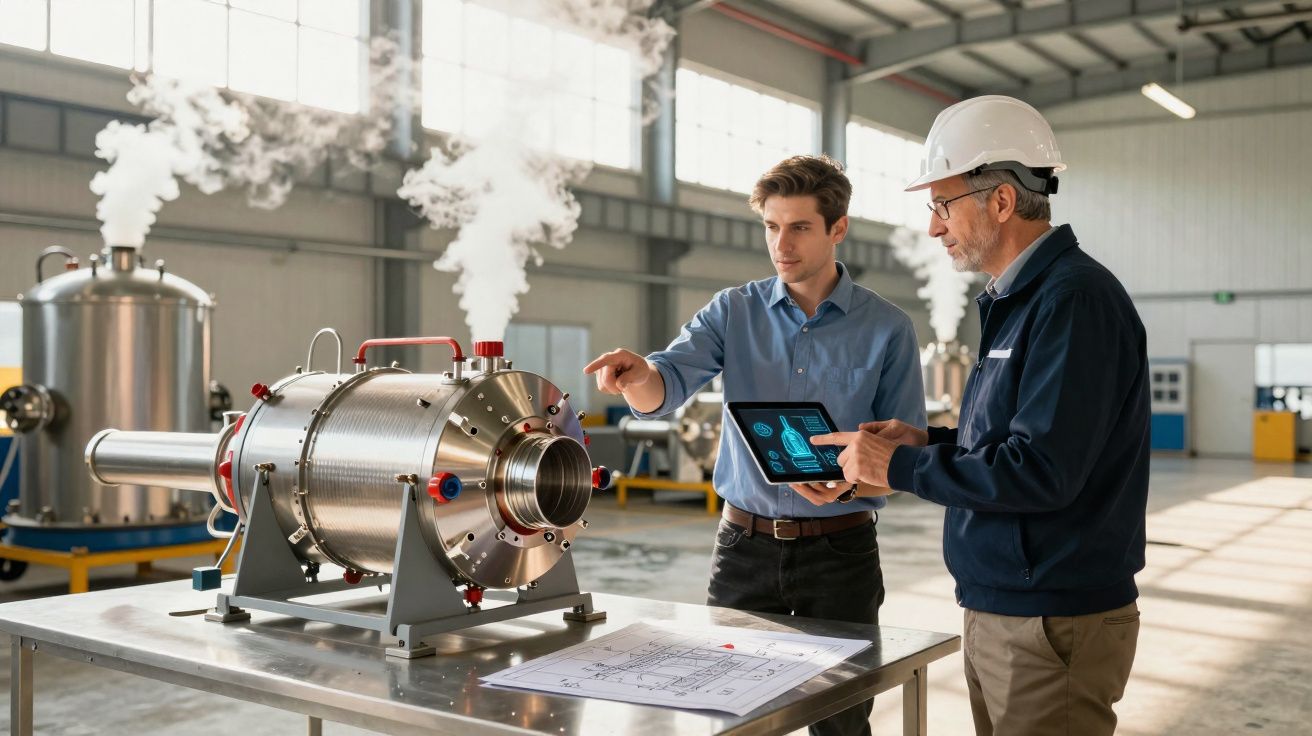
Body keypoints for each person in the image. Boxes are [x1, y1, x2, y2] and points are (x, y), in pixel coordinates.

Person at [810, 95, 1149, 736]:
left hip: (1050, 618)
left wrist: (903, 466)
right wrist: (928, 440)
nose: (935, 227)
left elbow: (1043, 470)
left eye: (942, 205)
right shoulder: (1021, 301)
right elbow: (1013, 440)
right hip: (1007, 605)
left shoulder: (1071, 301)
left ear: (1000, 201)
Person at [585, 154, 925, 736]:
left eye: (799, 227)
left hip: (841, 554)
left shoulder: (887, 329)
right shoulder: (732, 311)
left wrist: (850, 481)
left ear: (837, 228)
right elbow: (664, 385)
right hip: (744, 547)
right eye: (771, 226)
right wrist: (636, 373)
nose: (781, 244)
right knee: (728, 714)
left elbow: (905, 451)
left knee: (841, 721)